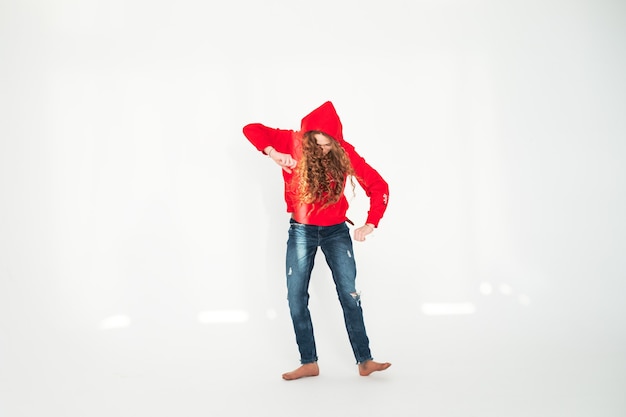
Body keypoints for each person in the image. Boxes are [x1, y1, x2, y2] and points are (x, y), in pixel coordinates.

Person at [242, 101, 391, 380]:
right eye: (317, 143)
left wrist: (371, 223)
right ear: (308, 137)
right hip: (302, 231)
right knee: (296, 296)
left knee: (349, 295)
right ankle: (309, 361)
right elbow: (251, 129)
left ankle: (365, 360)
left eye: (327, 144)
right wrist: (273, 153)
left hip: (336, 231)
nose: (322, 149)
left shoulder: (345, 154)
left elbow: (378, 185)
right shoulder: (292, 141)